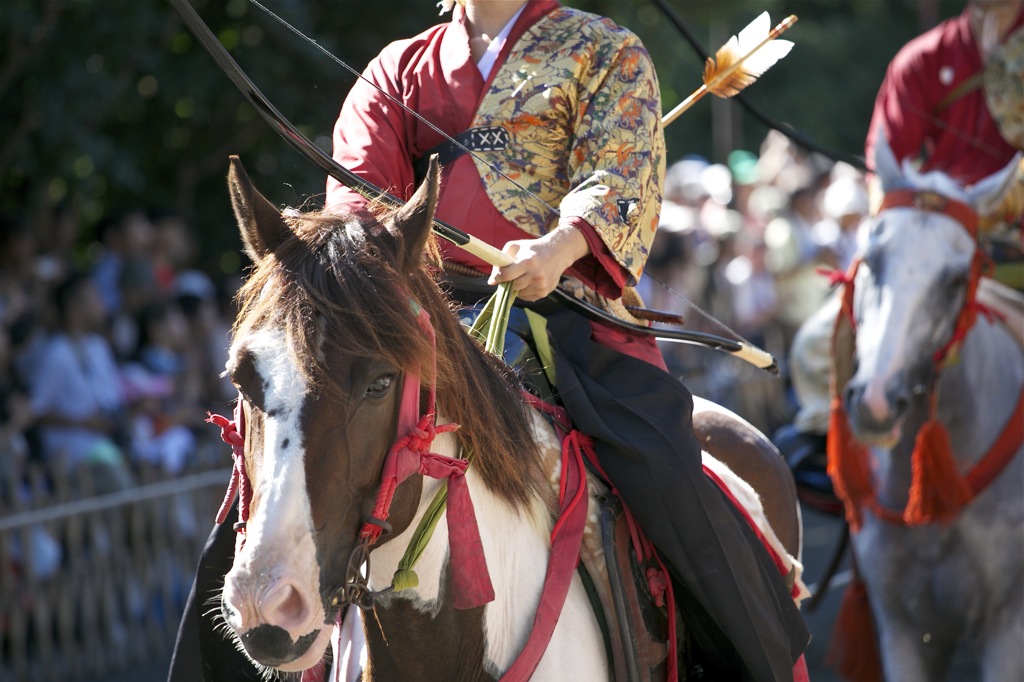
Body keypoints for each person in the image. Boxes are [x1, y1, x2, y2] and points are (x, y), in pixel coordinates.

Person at [170, 2, 808, 680]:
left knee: (669, 476)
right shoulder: (399, 69)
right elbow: (356, 215)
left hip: (568, 314)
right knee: (282, 477)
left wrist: (559, 249)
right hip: (418, 327)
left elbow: (619, 174)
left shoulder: (603, 49)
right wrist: (382, 271)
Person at [783, 0, 1023, 486]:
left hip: (1013, 255)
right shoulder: (923, 59)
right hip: (927, 251)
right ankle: (838, 475)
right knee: (814, 346)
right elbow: (886, 170)